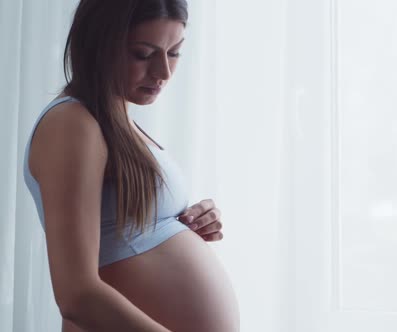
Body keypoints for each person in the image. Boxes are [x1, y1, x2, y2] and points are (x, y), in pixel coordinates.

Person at [22, 1, 240, 331]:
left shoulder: (116, 122)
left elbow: (123, 239)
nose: (163, 72)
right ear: (98, 44)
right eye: (143, 54)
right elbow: (76, 293)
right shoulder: (71, 124)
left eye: (175, 52)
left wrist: (184, 225)